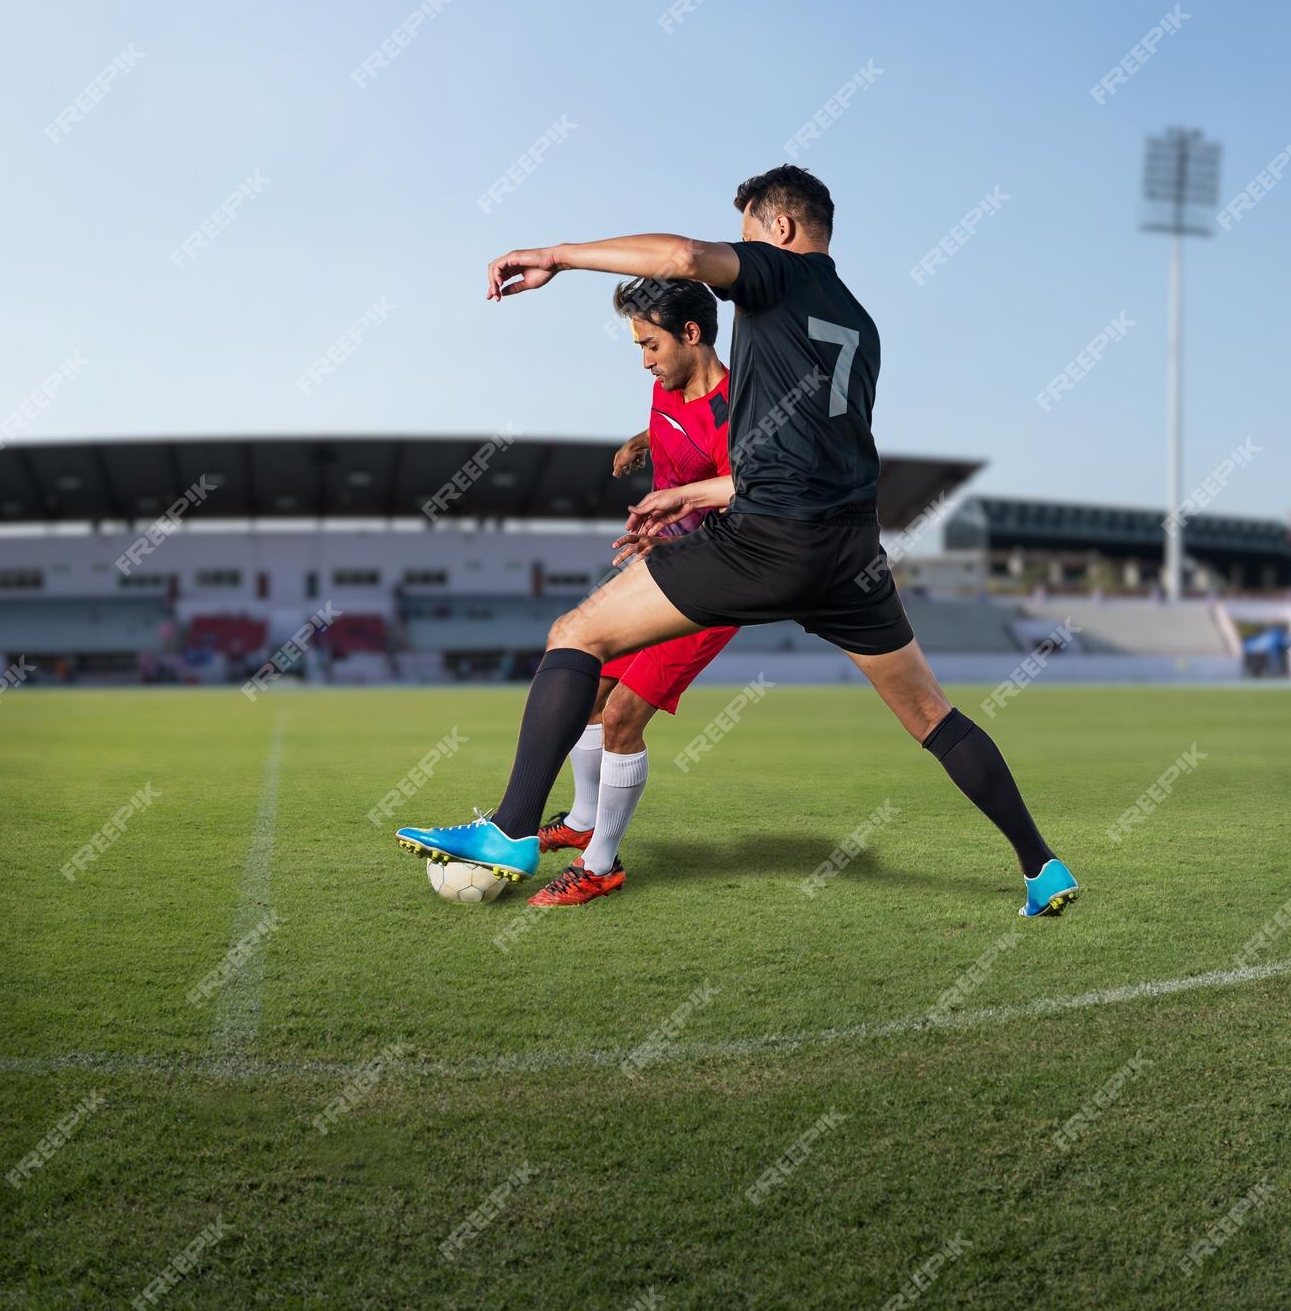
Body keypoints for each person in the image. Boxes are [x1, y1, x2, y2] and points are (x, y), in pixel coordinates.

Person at [398, 165, 1079, 918]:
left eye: (750, 232)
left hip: (767, 541)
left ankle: (513, 828)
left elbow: (686, 258)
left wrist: (557, 255)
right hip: (850, 553)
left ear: (780, 229)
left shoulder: (777, 274)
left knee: (576, 633)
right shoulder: (860, 323)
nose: (742, 252)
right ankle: (1041, 865)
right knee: (932, 716)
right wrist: (689, 491)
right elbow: (796, 449)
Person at [530, 277, 738, 907]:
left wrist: (678, 537)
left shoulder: (740, 415)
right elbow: (678, 429)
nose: (645, 360)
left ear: (692, 335)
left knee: (621, 719)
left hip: (712, 585)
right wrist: (641, 442)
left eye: (651, 345)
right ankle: (582, 820)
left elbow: (746, 495)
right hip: (659, 571)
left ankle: (601, 864)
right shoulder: (665, 388)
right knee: (587, 684)